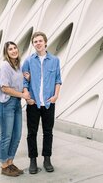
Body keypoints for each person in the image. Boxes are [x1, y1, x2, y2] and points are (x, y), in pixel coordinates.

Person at [22, 31, 62, 174]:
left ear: (45, 42)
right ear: (33, 44)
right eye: (35, 41)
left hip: (49, 102)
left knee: (48, 132)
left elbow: (58, 80)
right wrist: (27, 98)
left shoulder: (55, 60)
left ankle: (47, 159)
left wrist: (56, 96)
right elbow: (24, 82)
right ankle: (33, 160)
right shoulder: (28, 61)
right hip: (33, 103)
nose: (38, 43)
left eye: (40, 41)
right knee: (31, 133)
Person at [0, 41, 30, 177]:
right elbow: (5, 87)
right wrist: (23, 95)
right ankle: (4, 165)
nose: (14, 50)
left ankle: (10, 162)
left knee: (17, 135)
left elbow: (20, 83)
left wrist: (27, 77)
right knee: (6, 136)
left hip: (16, 103)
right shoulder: (5, 66)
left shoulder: (18, 66)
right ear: (6, 52)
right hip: (6, 104)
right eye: (10, 49)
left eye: (15, 48)